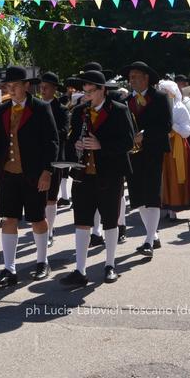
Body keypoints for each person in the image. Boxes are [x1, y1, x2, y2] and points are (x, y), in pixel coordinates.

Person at [61, 69, 135, 286]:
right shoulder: (79, 111)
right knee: (81, 222)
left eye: (91, 91)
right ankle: (80, 270)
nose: (87, 95)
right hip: (84, 174)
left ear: (103, 90)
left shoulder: (119, 110)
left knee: (110, 221)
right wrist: (75, 145)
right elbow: (71, 138)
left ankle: (110, 265)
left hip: (110, 174)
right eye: (85, 91)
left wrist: (101, 145)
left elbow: (129, 143)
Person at [0, 67, 58, 287]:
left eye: (15, 85)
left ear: (26, 85)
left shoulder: (40, 107)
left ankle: (42, 261)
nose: (12, 89)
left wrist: (47, 171)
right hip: (8, 174)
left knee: (37, 218)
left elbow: (52, 142)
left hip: (33, 174)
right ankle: (9, 268)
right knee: (8, 219)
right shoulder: (1, 110)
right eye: (8, 86)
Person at [123, 60, 172, 257]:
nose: (131, 80)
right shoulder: (126, 101)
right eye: (130, 77)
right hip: (133, 155)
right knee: (138, 197)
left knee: (152, 195)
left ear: (146, 78)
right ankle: (153, 235)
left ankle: (149, 241)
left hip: (153, 152)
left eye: (135, 76)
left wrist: (146, 134)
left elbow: (167, 125)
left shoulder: (160, 97)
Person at [158, 79, 190, 218]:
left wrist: (173, 126)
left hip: (177, 147)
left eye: (166, 92)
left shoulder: (180, 107)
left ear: (172, 93)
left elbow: (187, 130)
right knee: (163, 176)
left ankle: (174, 208)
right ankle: (164, 205)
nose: (164, 94)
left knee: (175, 176)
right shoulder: (159, 107)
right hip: (162, 146)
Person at [39, 72, 70, 248]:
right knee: (38, 198)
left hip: (55, 159)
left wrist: (44, 136)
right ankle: (42, 228)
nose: (42, 90)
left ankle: (49, 231)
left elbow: (64, 132)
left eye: (46, 87)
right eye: (41, 87)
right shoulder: (34, 106)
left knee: (51, 197)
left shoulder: (62, 109)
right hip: (36, 159)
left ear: (54, 89)